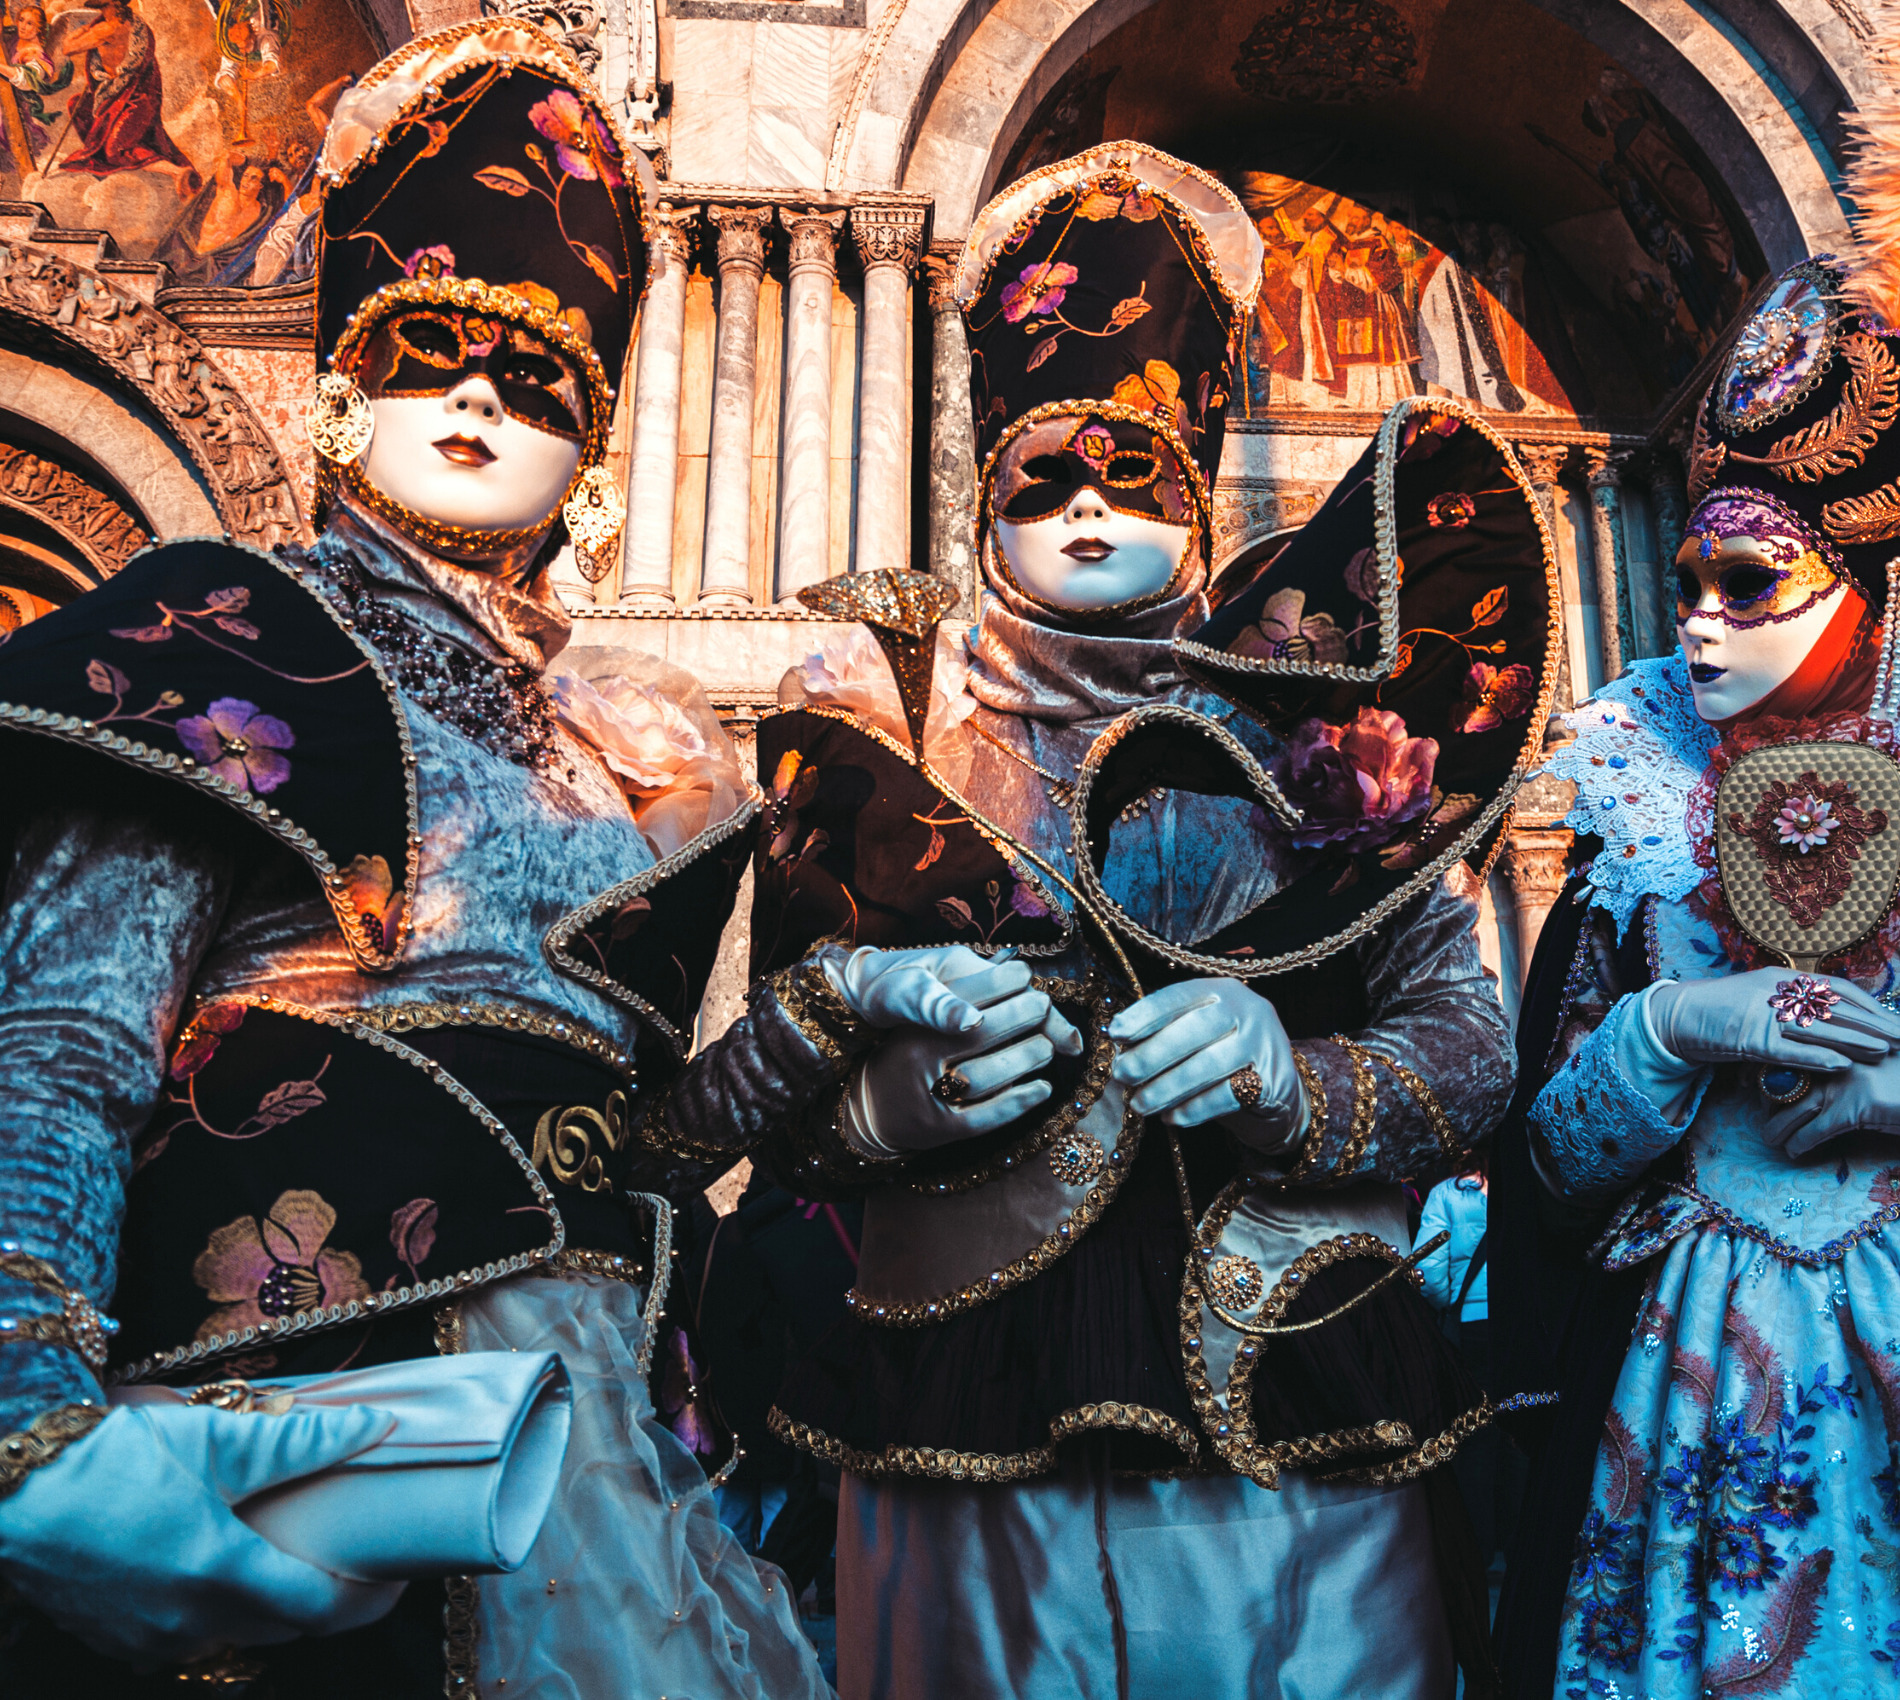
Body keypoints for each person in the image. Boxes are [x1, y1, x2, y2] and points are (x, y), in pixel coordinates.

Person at [0, 23, 887, 1697]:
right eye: (429, 350)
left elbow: (633, 1136)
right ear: (344, 381)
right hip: (286, 1406)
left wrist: (830, 1024)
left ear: (595, 457)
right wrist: (25, 1420)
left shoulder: (632, 759)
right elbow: (62, 1043)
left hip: (584, 1436)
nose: (479, 395)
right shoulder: (228, 643)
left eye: (537, 377)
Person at [641, 140, 1560, 1699]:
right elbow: (765, 1109)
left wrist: (1295, 1079)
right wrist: (885, 1108)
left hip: (1291, 1403)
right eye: (1041, 477)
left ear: (1194, 491)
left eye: (1131, 474)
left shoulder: (1317, 724)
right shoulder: (889, 722)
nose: (1083, 508)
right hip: (962, 1403)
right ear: (980, 492)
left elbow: (1470, 1051)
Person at [1490, 235, 1900, 1694]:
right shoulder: (1639, 801)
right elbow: (1550, 1164)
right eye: (1688, 583)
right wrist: (1667, 1028)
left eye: (1750, 581)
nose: (1702, 619)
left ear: (1867, 581)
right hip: (1679, 1373)